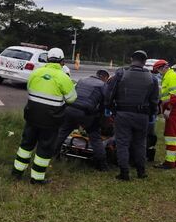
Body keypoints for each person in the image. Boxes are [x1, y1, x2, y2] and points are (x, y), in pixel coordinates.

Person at [12, 48, 77, 185]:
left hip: (31, 115)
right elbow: (71, 99)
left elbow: (29, 89)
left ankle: (16, 173)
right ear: (62, 61)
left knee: (26, 145)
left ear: (47, 59)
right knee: (44, 148)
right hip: (51, 120)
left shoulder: (36, 72)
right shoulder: (63, 77)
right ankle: (36, 178)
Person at [104, 50, 160, 181]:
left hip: (123, 114)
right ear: (145, 62)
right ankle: (141, 171)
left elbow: (110, 93)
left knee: (122, 142)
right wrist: (152, 114)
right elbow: (154, 100)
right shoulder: (152, 78)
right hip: (142, 116)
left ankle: (124, 172)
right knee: (140, 143)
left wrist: (110, 108)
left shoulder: (121, 73)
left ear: (131, 59)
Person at [56, 69, 110, 171]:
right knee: (95, 138)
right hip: (86, 113)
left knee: (62, 133)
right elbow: (105, 104)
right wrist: (100, 119)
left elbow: (71, 93)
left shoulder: (82, 80)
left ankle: (53, 156)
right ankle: (102, 165)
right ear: (105, 78)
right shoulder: (103, 85)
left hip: (70, 109)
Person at [152, 59, 176, 169]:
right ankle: (175, 161)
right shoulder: (170, 77)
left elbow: (175, 95)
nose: (158, 73)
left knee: (170, 136)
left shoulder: (171, 76)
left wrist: (168, 109)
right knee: (175, 136)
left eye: (158, 70)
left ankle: (169, 162)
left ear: (162, 68)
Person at [146, 66, 162, 162]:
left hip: (147, 113)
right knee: (149, 135)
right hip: (149, 113)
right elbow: (155, 100)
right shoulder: (154, 81)